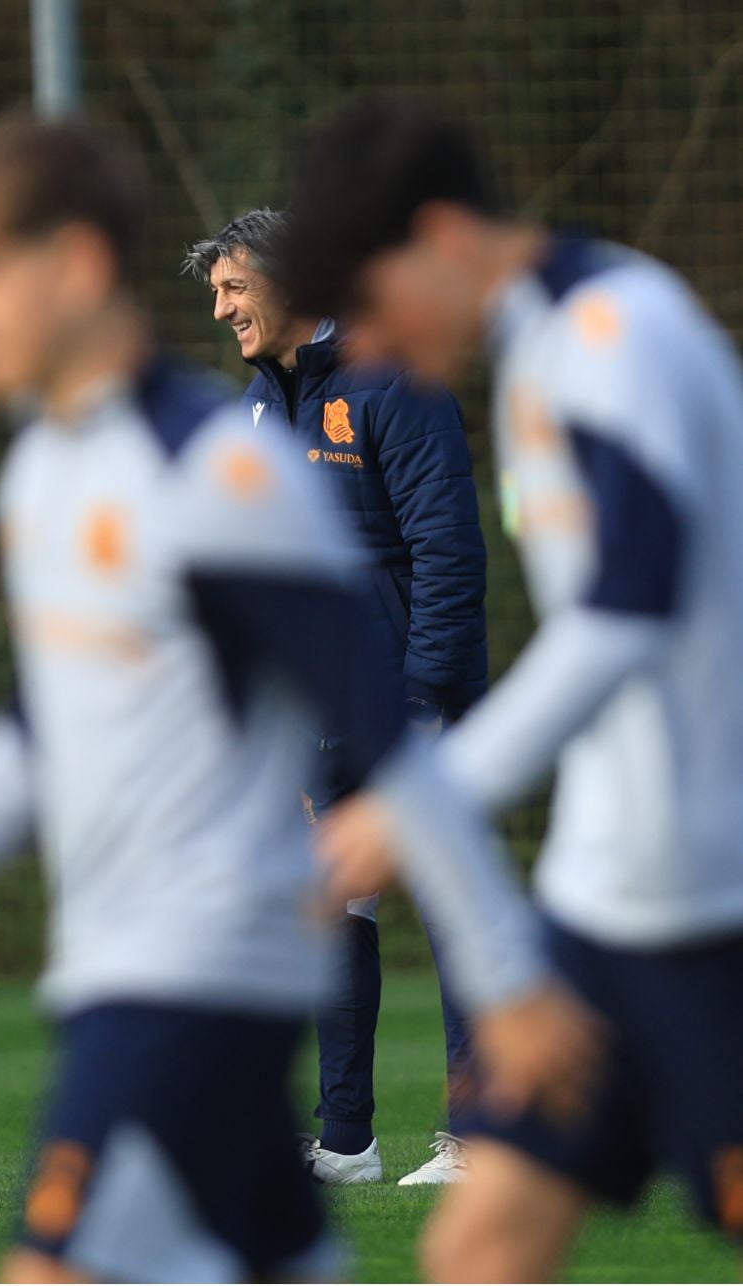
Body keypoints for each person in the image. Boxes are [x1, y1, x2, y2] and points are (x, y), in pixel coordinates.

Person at [0, 113, 602, 1284]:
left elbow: (389, 727)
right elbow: (42, 730)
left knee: (51, 1267)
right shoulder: (46, 468)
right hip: (123, 966)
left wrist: (506, 973)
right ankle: (341, 1148)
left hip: (190, 967)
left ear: (78, 266)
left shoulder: (221, 474)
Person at [283, 93, 743, 1282]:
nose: (368, 349)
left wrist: (419, 792)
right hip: (608, 904)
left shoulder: (616, 338)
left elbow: (624, 618)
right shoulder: (540, 346)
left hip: (716, 901)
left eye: (372, 308)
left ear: (440, 238)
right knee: (481, 1246)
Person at [182, 209, 487, 1186]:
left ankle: (482, 1138)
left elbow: (448, 550)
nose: (221, 308)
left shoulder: (392, 380)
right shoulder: (257, 407)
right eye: (216, 293)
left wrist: (424, 698)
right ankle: (346, 1142)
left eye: (234, 287)